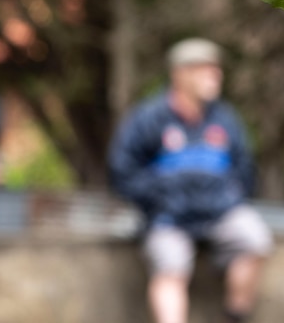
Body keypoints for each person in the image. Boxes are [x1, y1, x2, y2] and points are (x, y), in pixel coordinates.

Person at [108, 38, 272, 323]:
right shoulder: (149, 118)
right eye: (204, 69)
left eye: (216, 69)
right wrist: (158, 198)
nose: (215, 76)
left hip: (219, 212)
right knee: (171, 266)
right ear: (180, 74)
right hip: (168, 217)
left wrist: (229, 196)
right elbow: (121, 169)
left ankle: (235, 315)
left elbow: (246, 167)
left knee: (256, 239)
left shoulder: (225, 118)